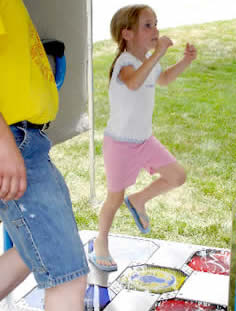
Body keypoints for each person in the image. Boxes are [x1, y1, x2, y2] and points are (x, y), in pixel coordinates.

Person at [89, 4, 197, 272]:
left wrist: (184, 61)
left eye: (156, 24)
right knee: (113, 199)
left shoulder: (150, 60)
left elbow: (163, 79)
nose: (155, 30)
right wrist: (159, 51)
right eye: (147, 25)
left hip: (145, 141)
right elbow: (134, 82)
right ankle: (101, 242)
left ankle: (139, 200)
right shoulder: (125, 62)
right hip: (120, 144)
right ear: (127, 34)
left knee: (177, 176)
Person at [0, 1, 89, 310]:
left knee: (33, 249)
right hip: (12, 139)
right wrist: (2, 141)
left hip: (23, 139)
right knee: (68, 275)